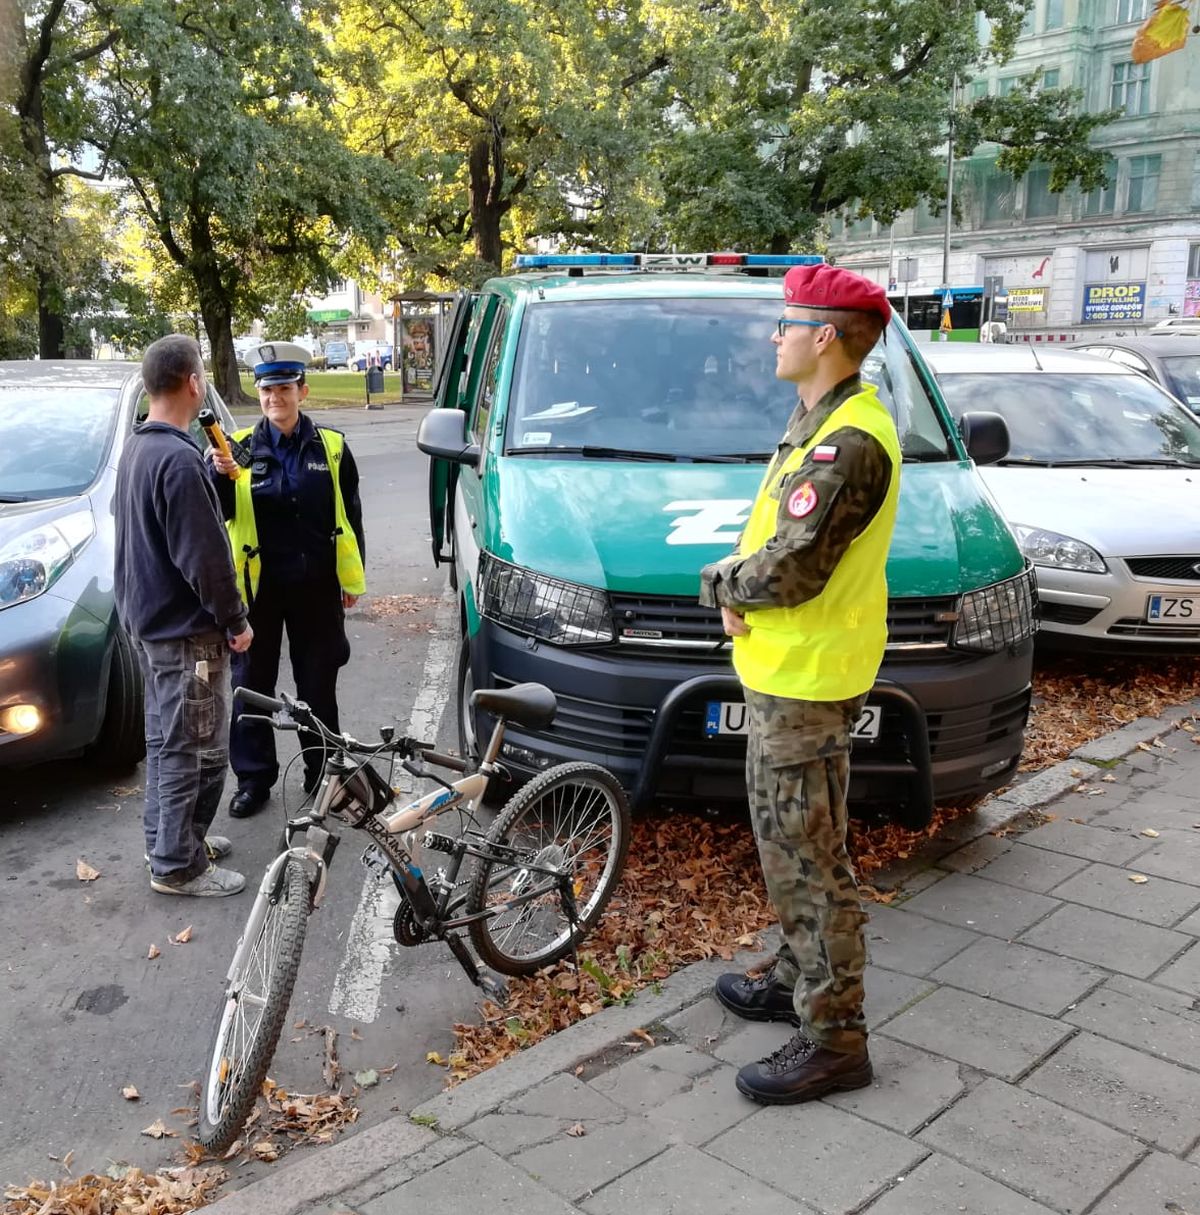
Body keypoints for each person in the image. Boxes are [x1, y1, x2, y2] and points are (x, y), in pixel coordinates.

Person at [699, 263, 901, 1104]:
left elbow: (792, 569)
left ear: (825, 336)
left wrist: (721, 585)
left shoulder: (848, 441)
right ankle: (794, 975)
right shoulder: (824, 418)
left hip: (808, 681)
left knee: (810, 864)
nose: (774, 334)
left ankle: (834, 1039)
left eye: (788, 322)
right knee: (795, 850)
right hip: (794, 671)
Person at [114, 334, 254, 897]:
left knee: (169, 740)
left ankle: (173, 842)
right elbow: (206, 560)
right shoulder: (175, 459)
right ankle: (177, 865)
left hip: (151, 626)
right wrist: (236, 620)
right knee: (192, 748)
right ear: (194, 383)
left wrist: (215, 478)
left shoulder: (142, 448)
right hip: (186, 633)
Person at [207, 341, 366, 817]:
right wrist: (219, 476)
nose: (274, 397)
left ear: (302, 390)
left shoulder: (332, 447)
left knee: (318, 683)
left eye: (283, 388)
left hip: (316, 585)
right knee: (251, 684)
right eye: (266, 389)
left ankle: (322, 773)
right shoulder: (234, 450)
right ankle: (254, 779)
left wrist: (351, 578)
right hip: (259, 589)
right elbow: (221, 516)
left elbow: (350, 518)